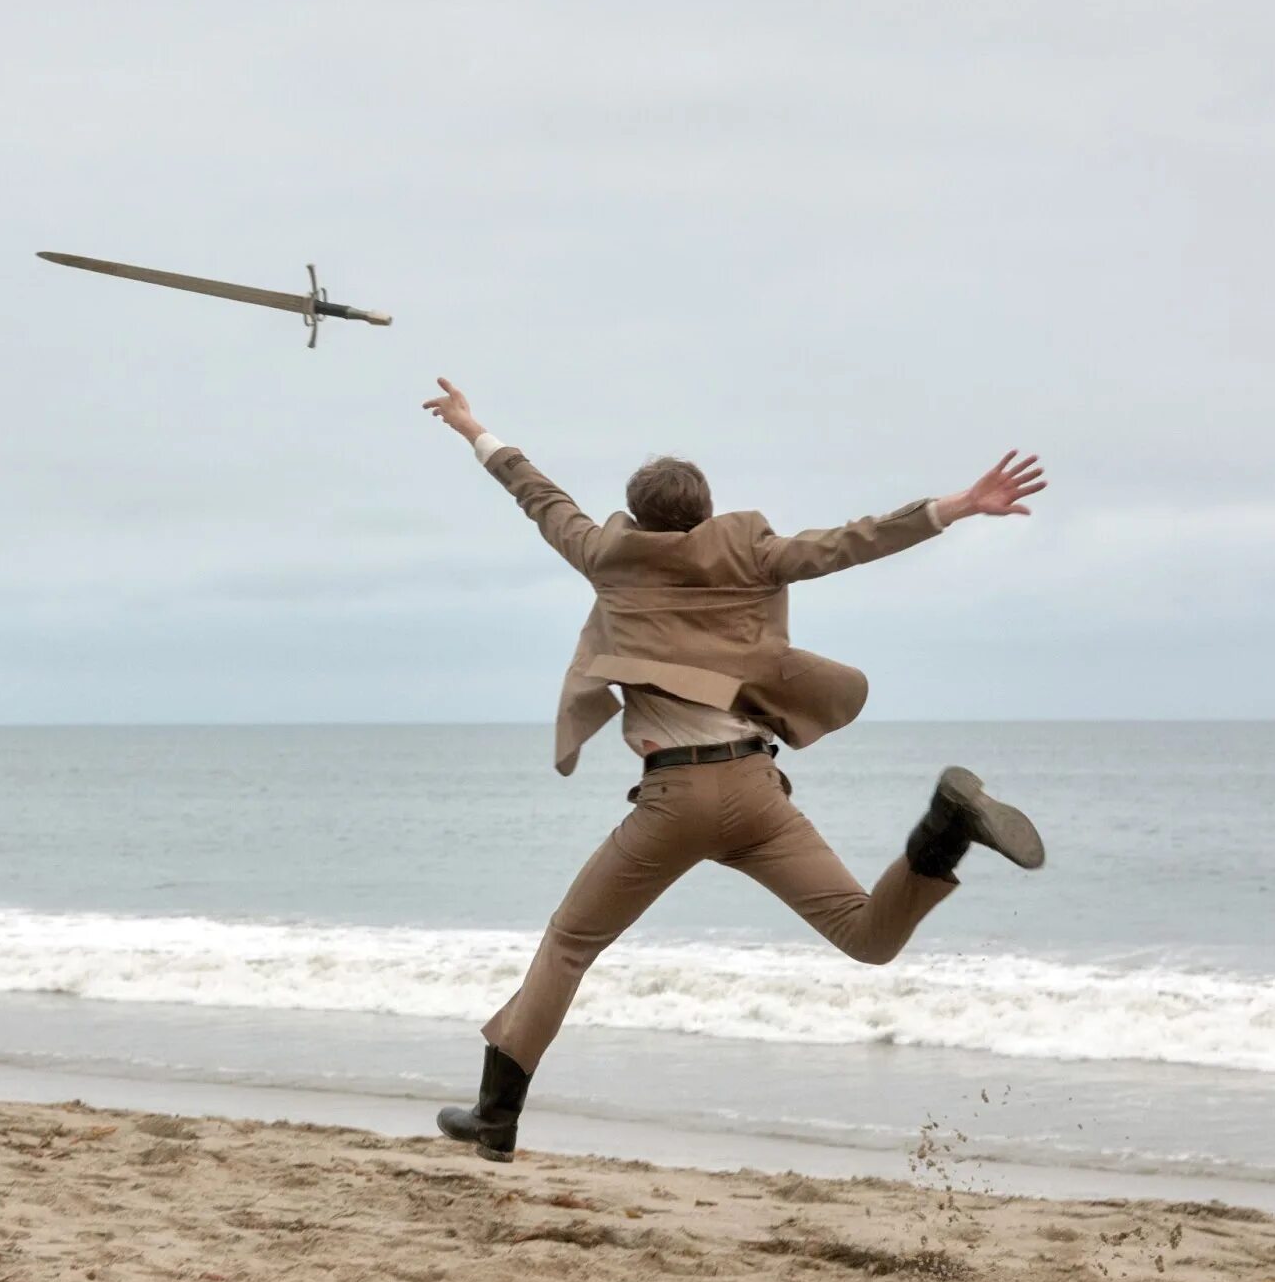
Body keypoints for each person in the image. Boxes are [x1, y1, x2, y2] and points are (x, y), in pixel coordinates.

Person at [423, 377, 1047, 1161]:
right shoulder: (752, 554)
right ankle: (941, 835)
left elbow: (536, 493)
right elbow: (850, 542)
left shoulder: (605, 555)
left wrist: (473, 427)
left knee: (570, 945)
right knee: (866, 936)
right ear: (707, 511)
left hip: (676, 796)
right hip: (756, 790)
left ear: (637, 513)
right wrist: (953, 506)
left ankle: (496, 1117)